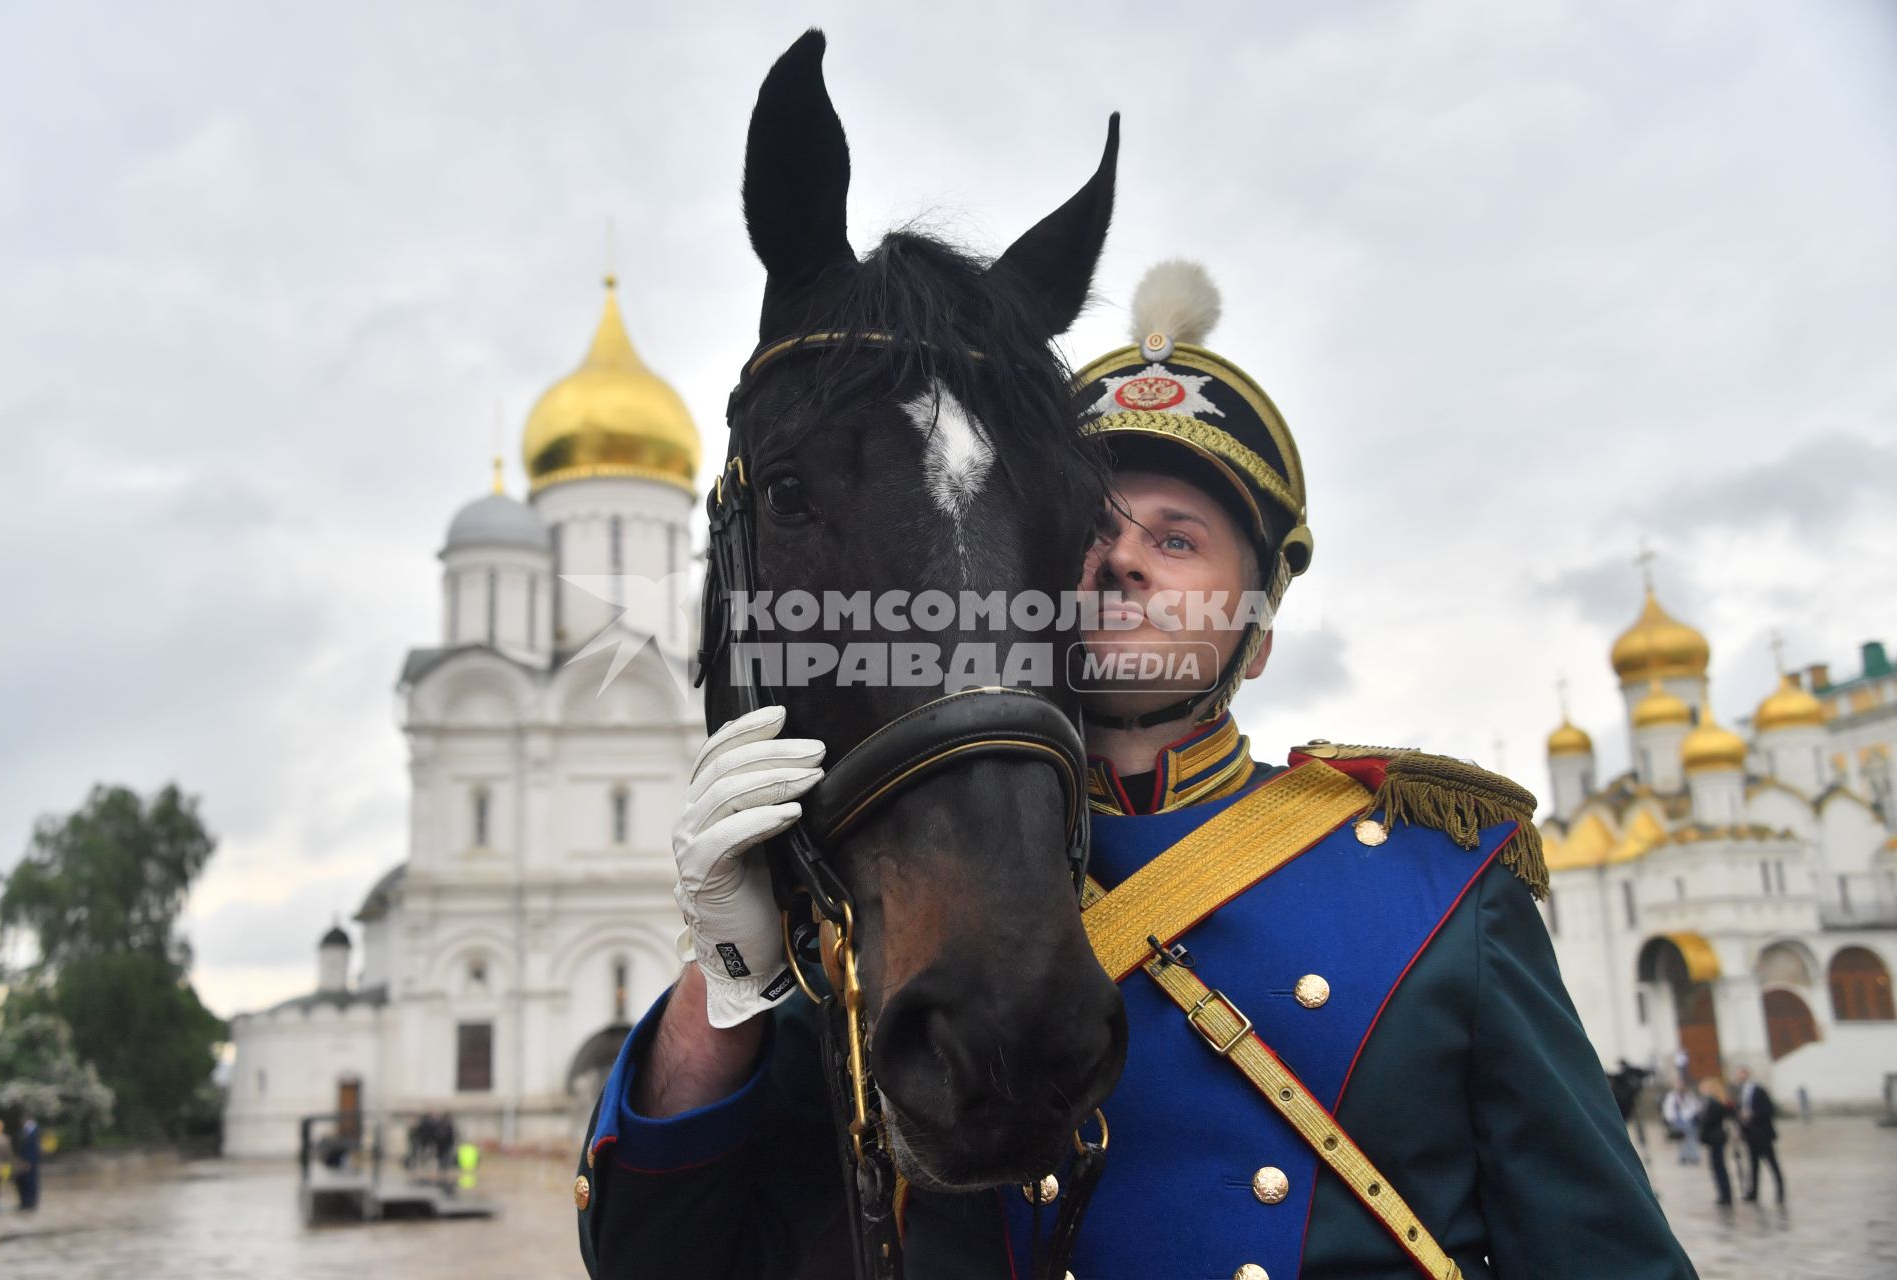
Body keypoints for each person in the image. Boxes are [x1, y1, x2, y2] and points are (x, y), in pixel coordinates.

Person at [575, 263, 1697, 1278]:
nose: (1119, 558)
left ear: (1254, 633)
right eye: (1090, 531)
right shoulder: (889, 886)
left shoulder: (1439, 881)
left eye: (1177, 539)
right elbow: (665, 1260)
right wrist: (723, 981)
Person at [1733, 1066, 1785, 1204]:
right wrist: (1739, 1127)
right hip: (1749, 1134)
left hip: (1763, 1134)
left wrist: (1753, 1114)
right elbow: (1738, 1111)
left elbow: (1769, 1109)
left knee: (1772, 1163)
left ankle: (1780, 1192)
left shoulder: (1759, 1090)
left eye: (1741, 1073)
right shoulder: (1740, 1092)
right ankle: (1753, 1192)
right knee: (1753, 1165)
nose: (1740, 1076)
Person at [1696, 1078, 1735, 1206]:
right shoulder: (1712, 1102)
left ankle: (1725, 1195)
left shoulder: (1713, 1102)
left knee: (1719, 1166)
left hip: (1716, 1138)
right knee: (1717, 1166)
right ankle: (1723, 1194)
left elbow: (1708, 1119)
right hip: (1715, 1138)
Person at [1662, 1080, 1702, 1165]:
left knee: (1691, 1139)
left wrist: (1690, 1115)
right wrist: (1670, 1119)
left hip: (1689, 1120)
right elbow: (1668, 1108)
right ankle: (1683, 1156)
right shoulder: (1672, 1096)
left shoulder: (1690, 1095)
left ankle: (1694, 1156)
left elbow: (1695, 1106)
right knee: (1680, 1139)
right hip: (1677, 1120)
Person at [14, 1117, 39, 1212]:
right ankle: (26, 1203)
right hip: (25, 1162)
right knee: (24, 1183)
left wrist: (29, 1162)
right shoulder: (26, 1132)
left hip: (30, 1163)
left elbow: (32, 1150)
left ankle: (30, 1203)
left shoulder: (34, 1133)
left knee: (30, 1183)